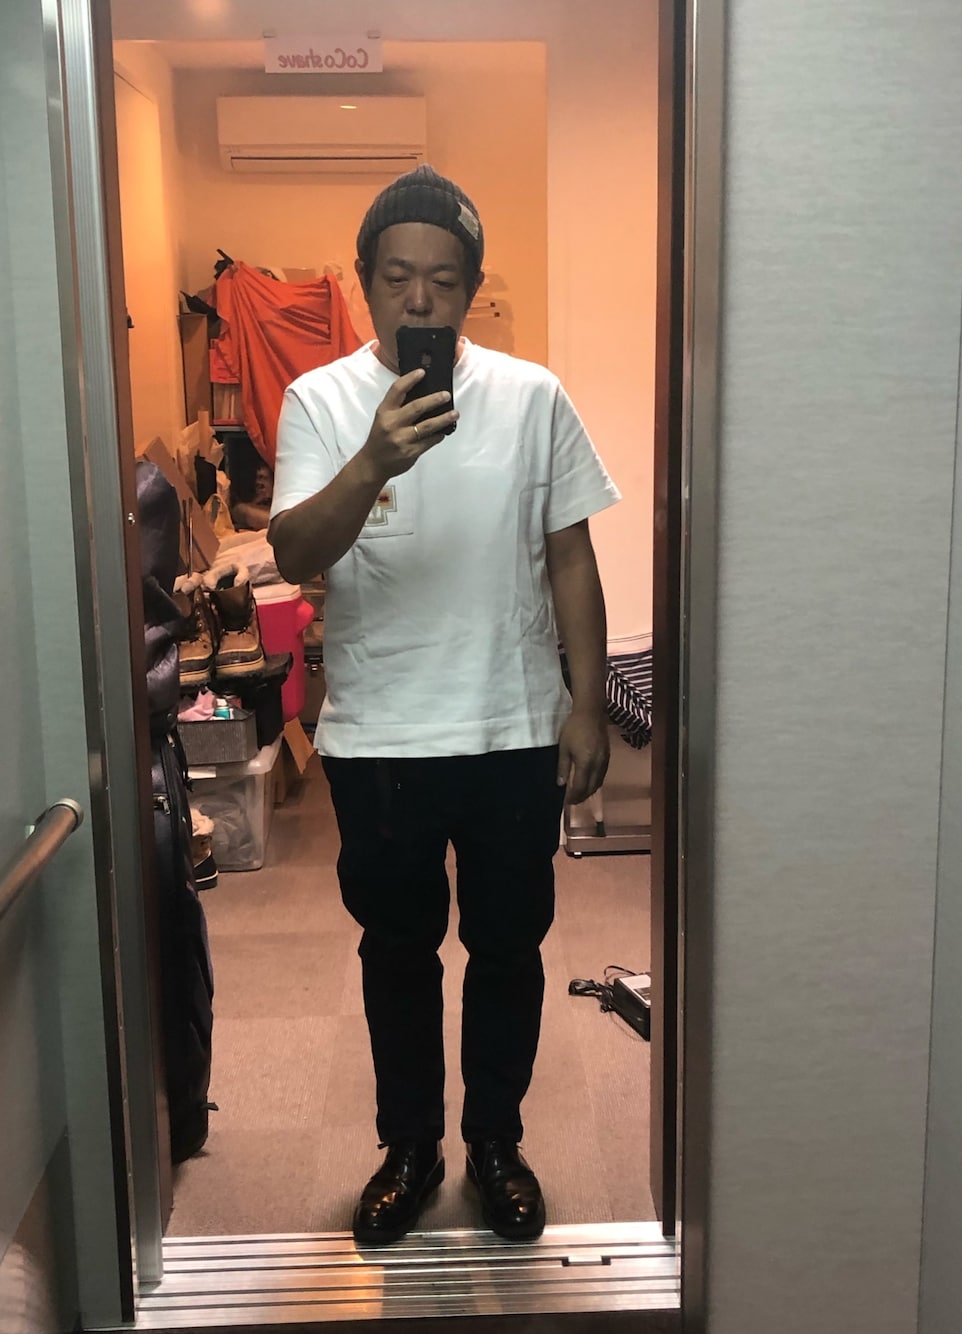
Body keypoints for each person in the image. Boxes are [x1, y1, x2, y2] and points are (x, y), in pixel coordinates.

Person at [269, 165, 620, 1245]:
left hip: (513, 727)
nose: (418, 298)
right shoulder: (319, 401)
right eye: (396, 277)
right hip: (381, 738)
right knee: (397, 952)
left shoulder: (531, 396)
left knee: (509, 951)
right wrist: (373, 458)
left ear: (471, 286)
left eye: (443, 279)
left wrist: (587, 703)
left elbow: (570, 555)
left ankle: (496, 1143)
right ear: (364, 280)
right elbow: (296, 551)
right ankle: (410, 1147)